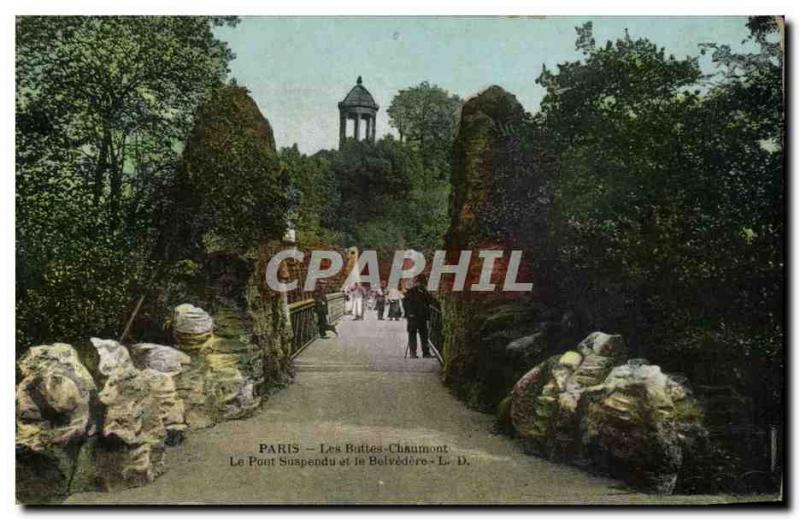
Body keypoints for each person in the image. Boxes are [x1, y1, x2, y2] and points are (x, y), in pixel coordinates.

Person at [403, 275, 434, 358]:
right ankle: (413, 353)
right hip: (413, 316)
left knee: (424, 334)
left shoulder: (424, 291)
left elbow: (430, 301)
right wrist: (408, 313)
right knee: (413, 334)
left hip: (422, 316)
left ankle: (425, 353)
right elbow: (406, 304)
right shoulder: (410, 292)